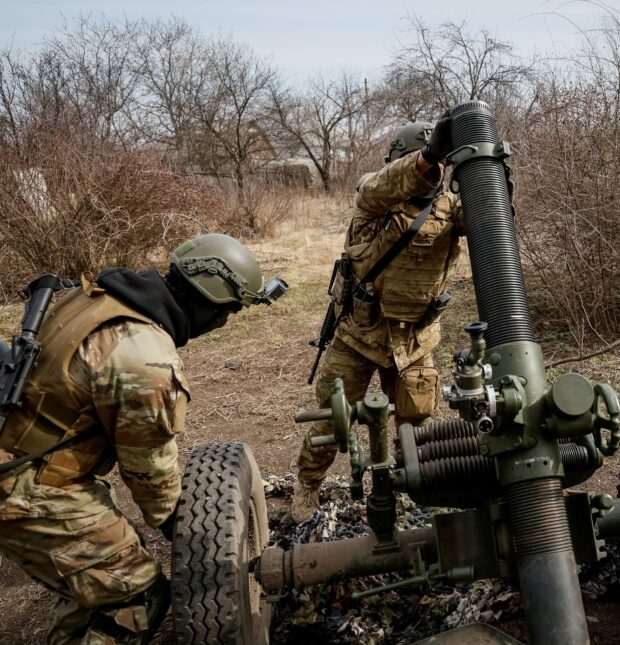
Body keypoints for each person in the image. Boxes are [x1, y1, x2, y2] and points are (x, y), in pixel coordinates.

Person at [0, 233, 285, 644]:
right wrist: (202, 537)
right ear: (211, 303)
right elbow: (149, 477)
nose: (225, 321)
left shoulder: (98, 298)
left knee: (93, 586)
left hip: (23, 456)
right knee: (137, 596)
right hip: (28, 490)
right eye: (229, 310)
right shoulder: (145, 359)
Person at [291, 116, 463, 523]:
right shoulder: (375, 198)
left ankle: (413, 488)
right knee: (331, 422)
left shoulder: (451, 206)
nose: (435, 174)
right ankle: (307, 485)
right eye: (426, 166)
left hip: (415, 340)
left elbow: (487, 222)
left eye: (441, 167)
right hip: (358, 335)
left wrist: (489, 178)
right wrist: (428, 157)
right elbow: (379, 186)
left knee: (417, 427)